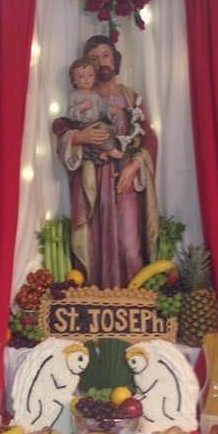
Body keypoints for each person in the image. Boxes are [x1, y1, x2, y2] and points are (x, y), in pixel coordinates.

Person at [52, 35, 159, 289]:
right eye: (94, 58)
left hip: (126, 178)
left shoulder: (132, 98)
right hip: (93, 180)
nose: (101, 62)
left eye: (106, 55)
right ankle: (96, 306)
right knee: (95, 245)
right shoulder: (80, 98)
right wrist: (80, 136)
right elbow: (60, 129)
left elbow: (150, 139)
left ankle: (134, 306)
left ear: (115, 59)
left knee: (130, 245)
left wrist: (135, 166)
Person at [66, 56, 125, 162]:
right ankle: (109, 150)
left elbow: (101, 109)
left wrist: (110, 111)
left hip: (95, 122)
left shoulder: (95, 96)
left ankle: (102, 151)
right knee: (96, 134)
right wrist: (81, 107)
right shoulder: (75, 96)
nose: (86, 79)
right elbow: (70, 113)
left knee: (109, 129)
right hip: (82, 125)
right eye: (81, 76)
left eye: (90, 75)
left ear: (94, 77)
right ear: (74, 81)